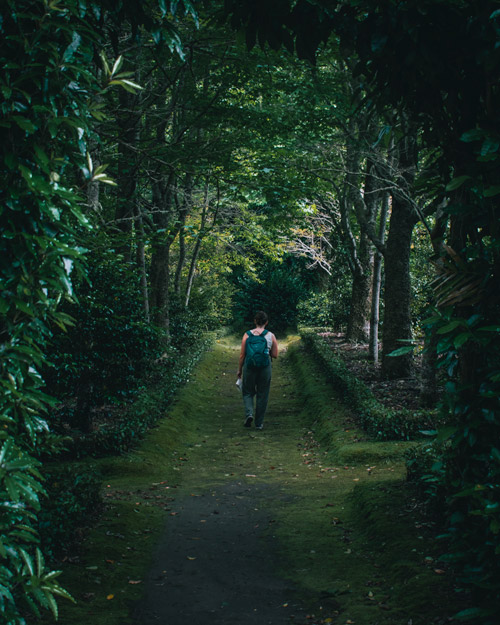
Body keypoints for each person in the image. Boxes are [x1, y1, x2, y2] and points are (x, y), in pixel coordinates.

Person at [237, 311, 278, 430]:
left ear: (255, 321)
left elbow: (242, 355)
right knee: (262, 394)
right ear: (266, 322)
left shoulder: (247, 335)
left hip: (249, 367)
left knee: (248, 391)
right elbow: (275, 355)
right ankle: (259, 423)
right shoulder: (270, 335)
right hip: (265, 368)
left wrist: (239, 370)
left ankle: (249, 413)